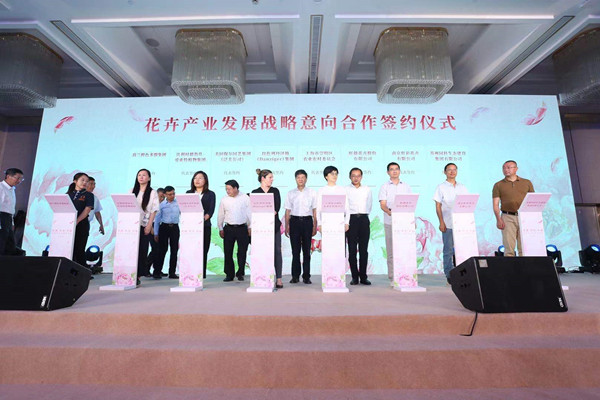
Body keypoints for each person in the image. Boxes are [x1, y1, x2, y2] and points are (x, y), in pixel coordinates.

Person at [433, 163, 468, 283]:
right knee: (448, 250)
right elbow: (438, 206)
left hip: (462, 224)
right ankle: (449, 274)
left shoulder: (462, 187)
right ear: (445, 172)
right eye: (449, 170)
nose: (452, 172)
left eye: (454, 170)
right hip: (448, 223)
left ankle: (463, 273)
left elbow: (467, 203)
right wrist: (441, 222)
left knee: (462, 249)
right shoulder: (441, 187)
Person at [492, 160, 534, 257]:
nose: (506, 170)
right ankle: (510, 266)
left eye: (509, 167)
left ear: (516, 169)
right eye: (504, 168)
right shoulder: (498, 185)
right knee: (509, 248)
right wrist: (498, 219)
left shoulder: (527, 182)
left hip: (524, 217)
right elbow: (495, 204)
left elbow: (532, 200)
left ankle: (525, 266)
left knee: (524, 247)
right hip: (507, 217)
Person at [316, 166, 350, 284]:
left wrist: (347, 222)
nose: (334, 176)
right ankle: (328, 279)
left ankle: (339, 279)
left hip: (339, 224)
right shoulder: (322, 190)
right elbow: (318, 209)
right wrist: (319, 224)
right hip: (327, 224)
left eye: (336, 173)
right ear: (326, 176)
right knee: (328, 252)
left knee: (339, 252)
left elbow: (347, 208)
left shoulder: (342, 189)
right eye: (331, 174)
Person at [378, 162, 412, 281]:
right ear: (388, 172)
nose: (394, 171)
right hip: (390, 222)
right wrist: (389, 212)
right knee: (391, 251)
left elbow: (410, 203)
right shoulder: (385, 186)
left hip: (404, 223)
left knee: (404, 250)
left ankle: (405, 274)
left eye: (396, 169)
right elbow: (383, 205)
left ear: (400, 171)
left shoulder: (406, 186)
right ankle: (392, 276)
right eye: (391, 169)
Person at [252, 169, 283, 289]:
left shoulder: (275, 191)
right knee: (261, 252)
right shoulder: (255, 192)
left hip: (274, 226)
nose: (272, 179)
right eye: (270, 177)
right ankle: (262, 276)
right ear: (263, 178)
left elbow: (276, 208)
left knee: (277, 251)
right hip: (260, 228)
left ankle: (279, 278)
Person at [284, 169, 317, 285]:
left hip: (307, 222)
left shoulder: (312, 192)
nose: (301, 179)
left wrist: (315, 225)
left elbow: (315, 210)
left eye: (303, 177)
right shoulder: (290, 193)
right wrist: (286, 225)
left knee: (307, 251)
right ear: (295, 179)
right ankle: (295, 276)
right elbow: (287, 211)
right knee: (295, 251)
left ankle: (306, 276)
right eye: (298, 177)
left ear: (306, 179)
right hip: (294, 222)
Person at [217, 180, 251, 282]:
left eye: (229, 189)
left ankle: (240, 273)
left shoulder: (245, 198)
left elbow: (250, 213)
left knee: (242, 252)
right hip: (229, 228)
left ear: (236, 188)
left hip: (242, 228)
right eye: (226, 189)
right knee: (228, 252)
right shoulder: (224, 199)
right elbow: (221, 214)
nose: (227, 191)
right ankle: (229, 274)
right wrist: (220, 228)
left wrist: (250, 227)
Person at [132, 168, 159, 286]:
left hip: (144, 225)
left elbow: (154, 210)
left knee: (142, 250)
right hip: (131, 226)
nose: (141, 177)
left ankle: (137, 275)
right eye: (139, 175)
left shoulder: (152, 193)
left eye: (144, 175)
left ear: (149, 178)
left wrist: (149, 225)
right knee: (131, 250)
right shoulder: (132, 191)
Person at [186, 171, 216, 279]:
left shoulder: (210, 194)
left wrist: (201, 220)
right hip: (190, 227)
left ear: (205, 180)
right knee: (191, 250)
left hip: (204, 226)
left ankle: (200, 274)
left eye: (200, 178)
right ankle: (190, 272)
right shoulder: (189, 193)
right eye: (195, 178)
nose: (197, 180)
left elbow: (210, 211)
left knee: (203, 250)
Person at [345, 167, 372, 285]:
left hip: (364, 219)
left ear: (361, 177)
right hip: (351, 220)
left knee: (363, 250)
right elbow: (345, 207)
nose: (356, 178)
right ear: (350, 177)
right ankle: (354, 277)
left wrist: (364, 215)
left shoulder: (367, 189)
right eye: (353, 176)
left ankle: (363, 277)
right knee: (352, 250)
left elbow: (369, 205)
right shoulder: (345, 190)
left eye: (358, 176)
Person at [67, 172, 94, 267]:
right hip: (67, 225)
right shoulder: (68, 194)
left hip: (82, 224)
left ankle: (82, 271)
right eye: (82, 180)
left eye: (87, 181)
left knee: (79, 248)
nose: (85, 183)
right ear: (75, 181)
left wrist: (76, 221)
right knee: (68, 248)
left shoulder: (89, 195)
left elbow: (86, 210)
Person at [153, 186, 180, 279]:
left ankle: (172, 272)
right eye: (169, 194)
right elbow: (157, 220)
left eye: (173, 194)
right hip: (164, 227)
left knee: (174, 250)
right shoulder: (161, 205)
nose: (172, 196)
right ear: (165, 195)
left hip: (175, 227)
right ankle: (157, 271)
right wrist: (156, 233)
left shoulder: (178, 203)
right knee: (162, 250)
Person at [0, 168, 24, 256]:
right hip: (1, 217)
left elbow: (10, 208)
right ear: (8, 176)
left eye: (21, 179)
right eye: (17, 178)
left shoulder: (12, 189)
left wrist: (12, 222)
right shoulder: (1, 187)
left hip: (8, 219)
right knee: (1, 244)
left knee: (9, 245)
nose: (19, 181)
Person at [147, 187, 167, 277]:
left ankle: (157, 270)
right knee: (155, 249)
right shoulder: (151, 204)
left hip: (161, 228)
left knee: (161, 250)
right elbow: (147, 217)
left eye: (163, 197)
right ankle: (146, 269)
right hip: (152, 227)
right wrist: (151, 227)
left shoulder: (164, 205)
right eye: (160, 196)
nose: (162, 199)